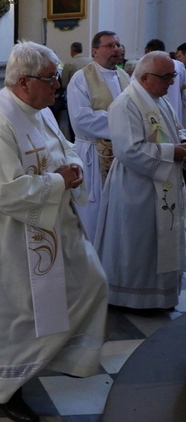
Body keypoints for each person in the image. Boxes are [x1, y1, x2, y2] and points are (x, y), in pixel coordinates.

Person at [0, 41, 108, 422]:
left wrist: (72, 168)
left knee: (91, 283)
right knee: (17, 316)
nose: (57, 85)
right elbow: (1, 191)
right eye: (50, 78)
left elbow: (65, 147)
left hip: (50, 230)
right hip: (11, 241)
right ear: (24, 82)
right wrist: (56, 182)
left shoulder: (36, 111)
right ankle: (6, 387)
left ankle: (60, 356)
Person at [96, 51, 186, 310]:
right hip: (136, 188)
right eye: (166, 77)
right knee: (136, 242)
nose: (171, 82)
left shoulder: (158, 99)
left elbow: (173, 128)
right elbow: (129, 150)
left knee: (157, 242)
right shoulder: (126, 105)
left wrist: (182, 141)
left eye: (173, 76)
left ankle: (159, 296)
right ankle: (131, 297)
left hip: (161, 183)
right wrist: (173, 152)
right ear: (146, 78)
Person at [67, 30, 129, 239]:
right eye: (110, 45)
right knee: (94, 212)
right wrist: (123, 121)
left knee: (118, 210)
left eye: (118, 45)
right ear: (95, 51)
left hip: (121, 152)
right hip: (94, 153)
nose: (116, 50)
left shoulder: (124, 76)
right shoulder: (81, 78)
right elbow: (81, 119)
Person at [144, 39, 186, 126]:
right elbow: (183, 86)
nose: (170, 81)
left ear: (150, 50)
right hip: (174, 107)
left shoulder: (146, 65)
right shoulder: (179, 65)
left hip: (155, 109)